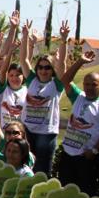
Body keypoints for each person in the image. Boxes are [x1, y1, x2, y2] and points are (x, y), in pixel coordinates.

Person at [55, 49, 99, 197]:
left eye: (94, 85)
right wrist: (80, 61)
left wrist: (94, 151)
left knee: (85, 195)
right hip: (68, 154)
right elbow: (65, 80)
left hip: (86, 157)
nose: (90, 88)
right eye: (87, 84)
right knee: (65, 194)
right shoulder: (79, 97)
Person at [19, 19, 69, 174]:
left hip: (45, 134)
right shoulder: (32, 80)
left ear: (52, 69)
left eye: (47, 67)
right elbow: (23, 59)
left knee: (42, 171)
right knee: (25, 167)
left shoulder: (56, 85)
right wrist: (25, 36)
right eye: (40, 67)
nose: (43, 70)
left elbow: (63, 66)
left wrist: (64, 40)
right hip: (27, 130)